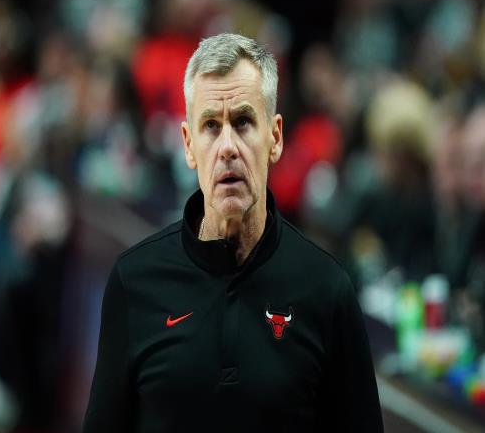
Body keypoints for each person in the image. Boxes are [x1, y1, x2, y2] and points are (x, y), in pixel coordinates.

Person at [83, 33, 384, 432]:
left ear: (275, 138)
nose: (227, 147)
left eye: (243, 122)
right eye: (211, 125)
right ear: (188, 145)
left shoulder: (328, 289)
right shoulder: (133, 281)